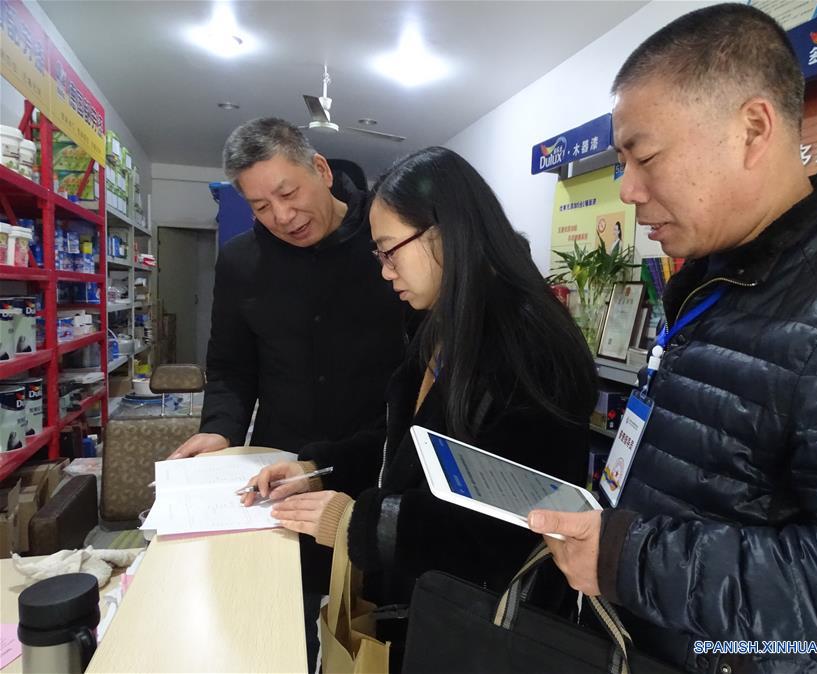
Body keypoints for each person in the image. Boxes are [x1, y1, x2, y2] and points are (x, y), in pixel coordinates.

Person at [529, 4, 817, 673]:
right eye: (621, 162)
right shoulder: (715, 277)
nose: (628, 190)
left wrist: (629, 558)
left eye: (644, 156)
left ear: (752, 129)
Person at [244, 146, 600, 670]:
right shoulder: (444, 324)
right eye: (379, 256)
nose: (385, 272)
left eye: (391, 251)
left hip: (487, 630)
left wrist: (358, 523)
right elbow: (409, 443)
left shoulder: (528, 348)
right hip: (429, 607)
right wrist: (317, 468)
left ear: (445, 232)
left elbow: (507, 525)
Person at [168, 118, 410, 672]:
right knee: (280, 621)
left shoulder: (385, 241)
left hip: (377, 465)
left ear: (320, 169)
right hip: (281, 472)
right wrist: (220, 430)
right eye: (260, 206)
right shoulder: (241, 262)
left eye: (288, 192)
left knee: (372, 624)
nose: (281, 216)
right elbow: (230, 368)